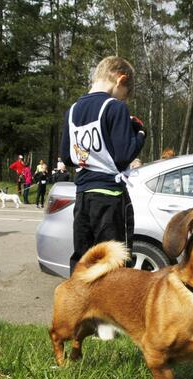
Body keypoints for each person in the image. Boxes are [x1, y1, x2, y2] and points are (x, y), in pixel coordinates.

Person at [60, 55, 146, 274]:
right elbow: (122, 156)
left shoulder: (72, 111)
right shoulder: (114, 107)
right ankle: (111, 308)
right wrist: (140, 133)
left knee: (83, 259)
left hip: (83, 196)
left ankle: (81, 306)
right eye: (125, 95)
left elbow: (67, 157)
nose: (124, 100)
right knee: (114, 261)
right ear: (120, 79)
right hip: (110, 197)